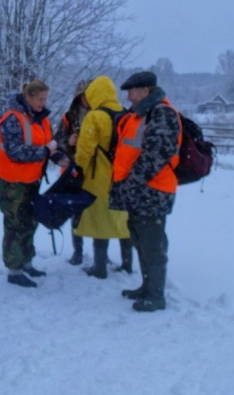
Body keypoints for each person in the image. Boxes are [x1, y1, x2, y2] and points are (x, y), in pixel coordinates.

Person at [110, 71, 182, 312]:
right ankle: (147, 286)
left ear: (146, 91)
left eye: (131, 91)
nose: (128, 97)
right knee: (140, 241)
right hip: (139, 191)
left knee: (153, 243)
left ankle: (156, 295)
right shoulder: (140, 114)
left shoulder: (162, 113)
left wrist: (131, 183)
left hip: (153, 190)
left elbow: (155, 155)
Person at [0, 79, 70, 288]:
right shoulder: (12, 119)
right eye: (39, 99)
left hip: (32, 180)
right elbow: (15, 151)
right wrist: (45, 152)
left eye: (45, 99)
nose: (43, 103)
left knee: (30, 221)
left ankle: (27, 262)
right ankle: (14, 269)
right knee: (15, 224)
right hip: (12, 182)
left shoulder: (41, 119)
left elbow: (45, 145)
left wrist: (56, 157)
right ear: (28, 97)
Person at [72, 75, 132, 279]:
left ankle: (99, 268)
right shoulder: (127, 115)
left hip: (100, 177)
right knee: (123, 220)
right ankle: (127, 264)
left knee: (100, 221)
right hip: (124, 176)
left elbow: (84, 151)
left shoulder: (95, 117)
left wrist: (78, 170)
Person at [54, 79, 90, 265]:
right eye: (83, 95)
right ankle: (78, 251)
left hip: (95, 171)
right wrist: (68, 140)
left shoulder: (103, 115)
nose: (86, 99)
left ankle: (101, 253)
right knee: (76, 212)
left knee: (98, 212)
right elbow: (56, 142)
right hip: (73, 171)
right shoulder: (69, 117)